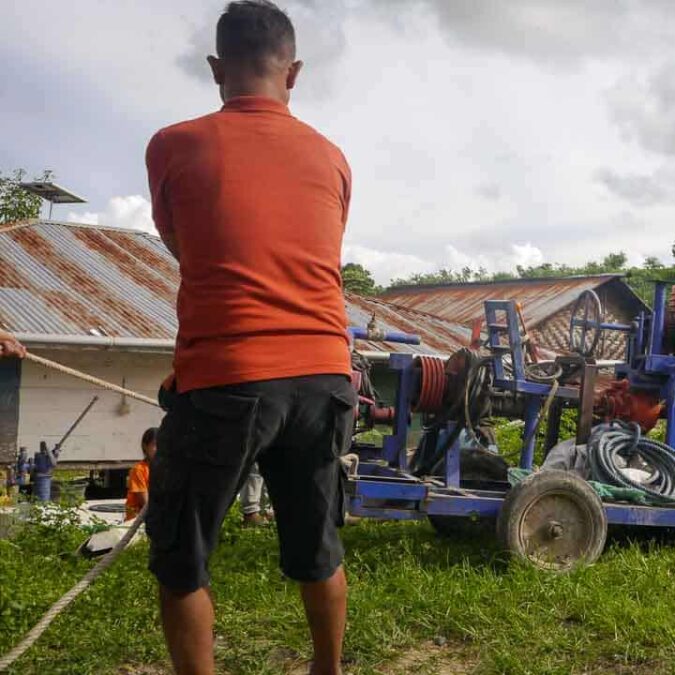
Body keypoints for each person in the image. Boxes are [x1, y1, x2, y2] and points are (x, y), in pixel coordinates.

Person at [144, 2, 356, 673]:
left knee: (182, 559)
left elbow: (195, 253)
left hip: (229, 376)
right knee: (317, 548)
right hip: (326, 375)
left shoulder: (173, 144)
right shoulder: (333, 158)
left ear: (215, 69)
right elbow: (306, 260)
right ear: (292, 72)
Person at [125, 428, 157, 521]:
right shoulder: (139, 470)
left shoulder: (165, 469)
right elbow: (145, 503)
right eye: (155, 445)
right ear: (145, 446)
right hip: (137, 519)